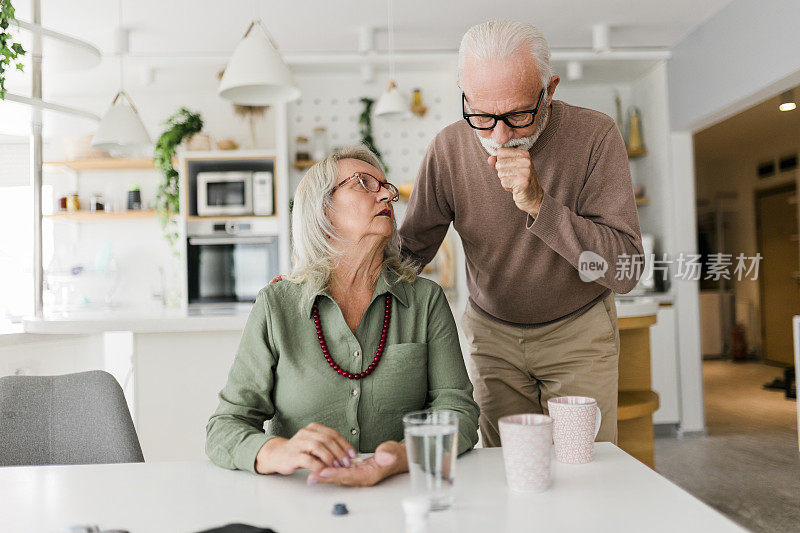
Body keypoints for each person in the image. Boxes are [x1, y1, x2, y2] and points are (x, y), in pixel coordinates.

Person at [399, 21, 644, 447]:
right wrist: (321, 278)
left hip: (579, 333)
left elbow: (625, 270)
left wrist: (540, 206)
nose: (498, 136)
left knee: (583, 469)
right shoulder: (448, 148)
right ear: (463, 92)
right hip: (492, 337)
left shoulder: (595, 135)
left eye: (517, 115)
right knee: (510, 473)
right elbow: (408, 254)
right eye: (480, 115)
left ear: (549, 90)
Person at [206, 146, 479, 486]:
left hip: (402, 493)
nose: (386, 195)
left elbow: (460, 415)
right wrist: (277, 451)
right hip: (302, 496)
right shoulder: (277, 306)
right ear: (323, 210)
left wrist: (397, 459)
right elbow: (225, 427)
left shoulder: (425, 301)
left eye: (386, 187)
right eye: (364, 184)